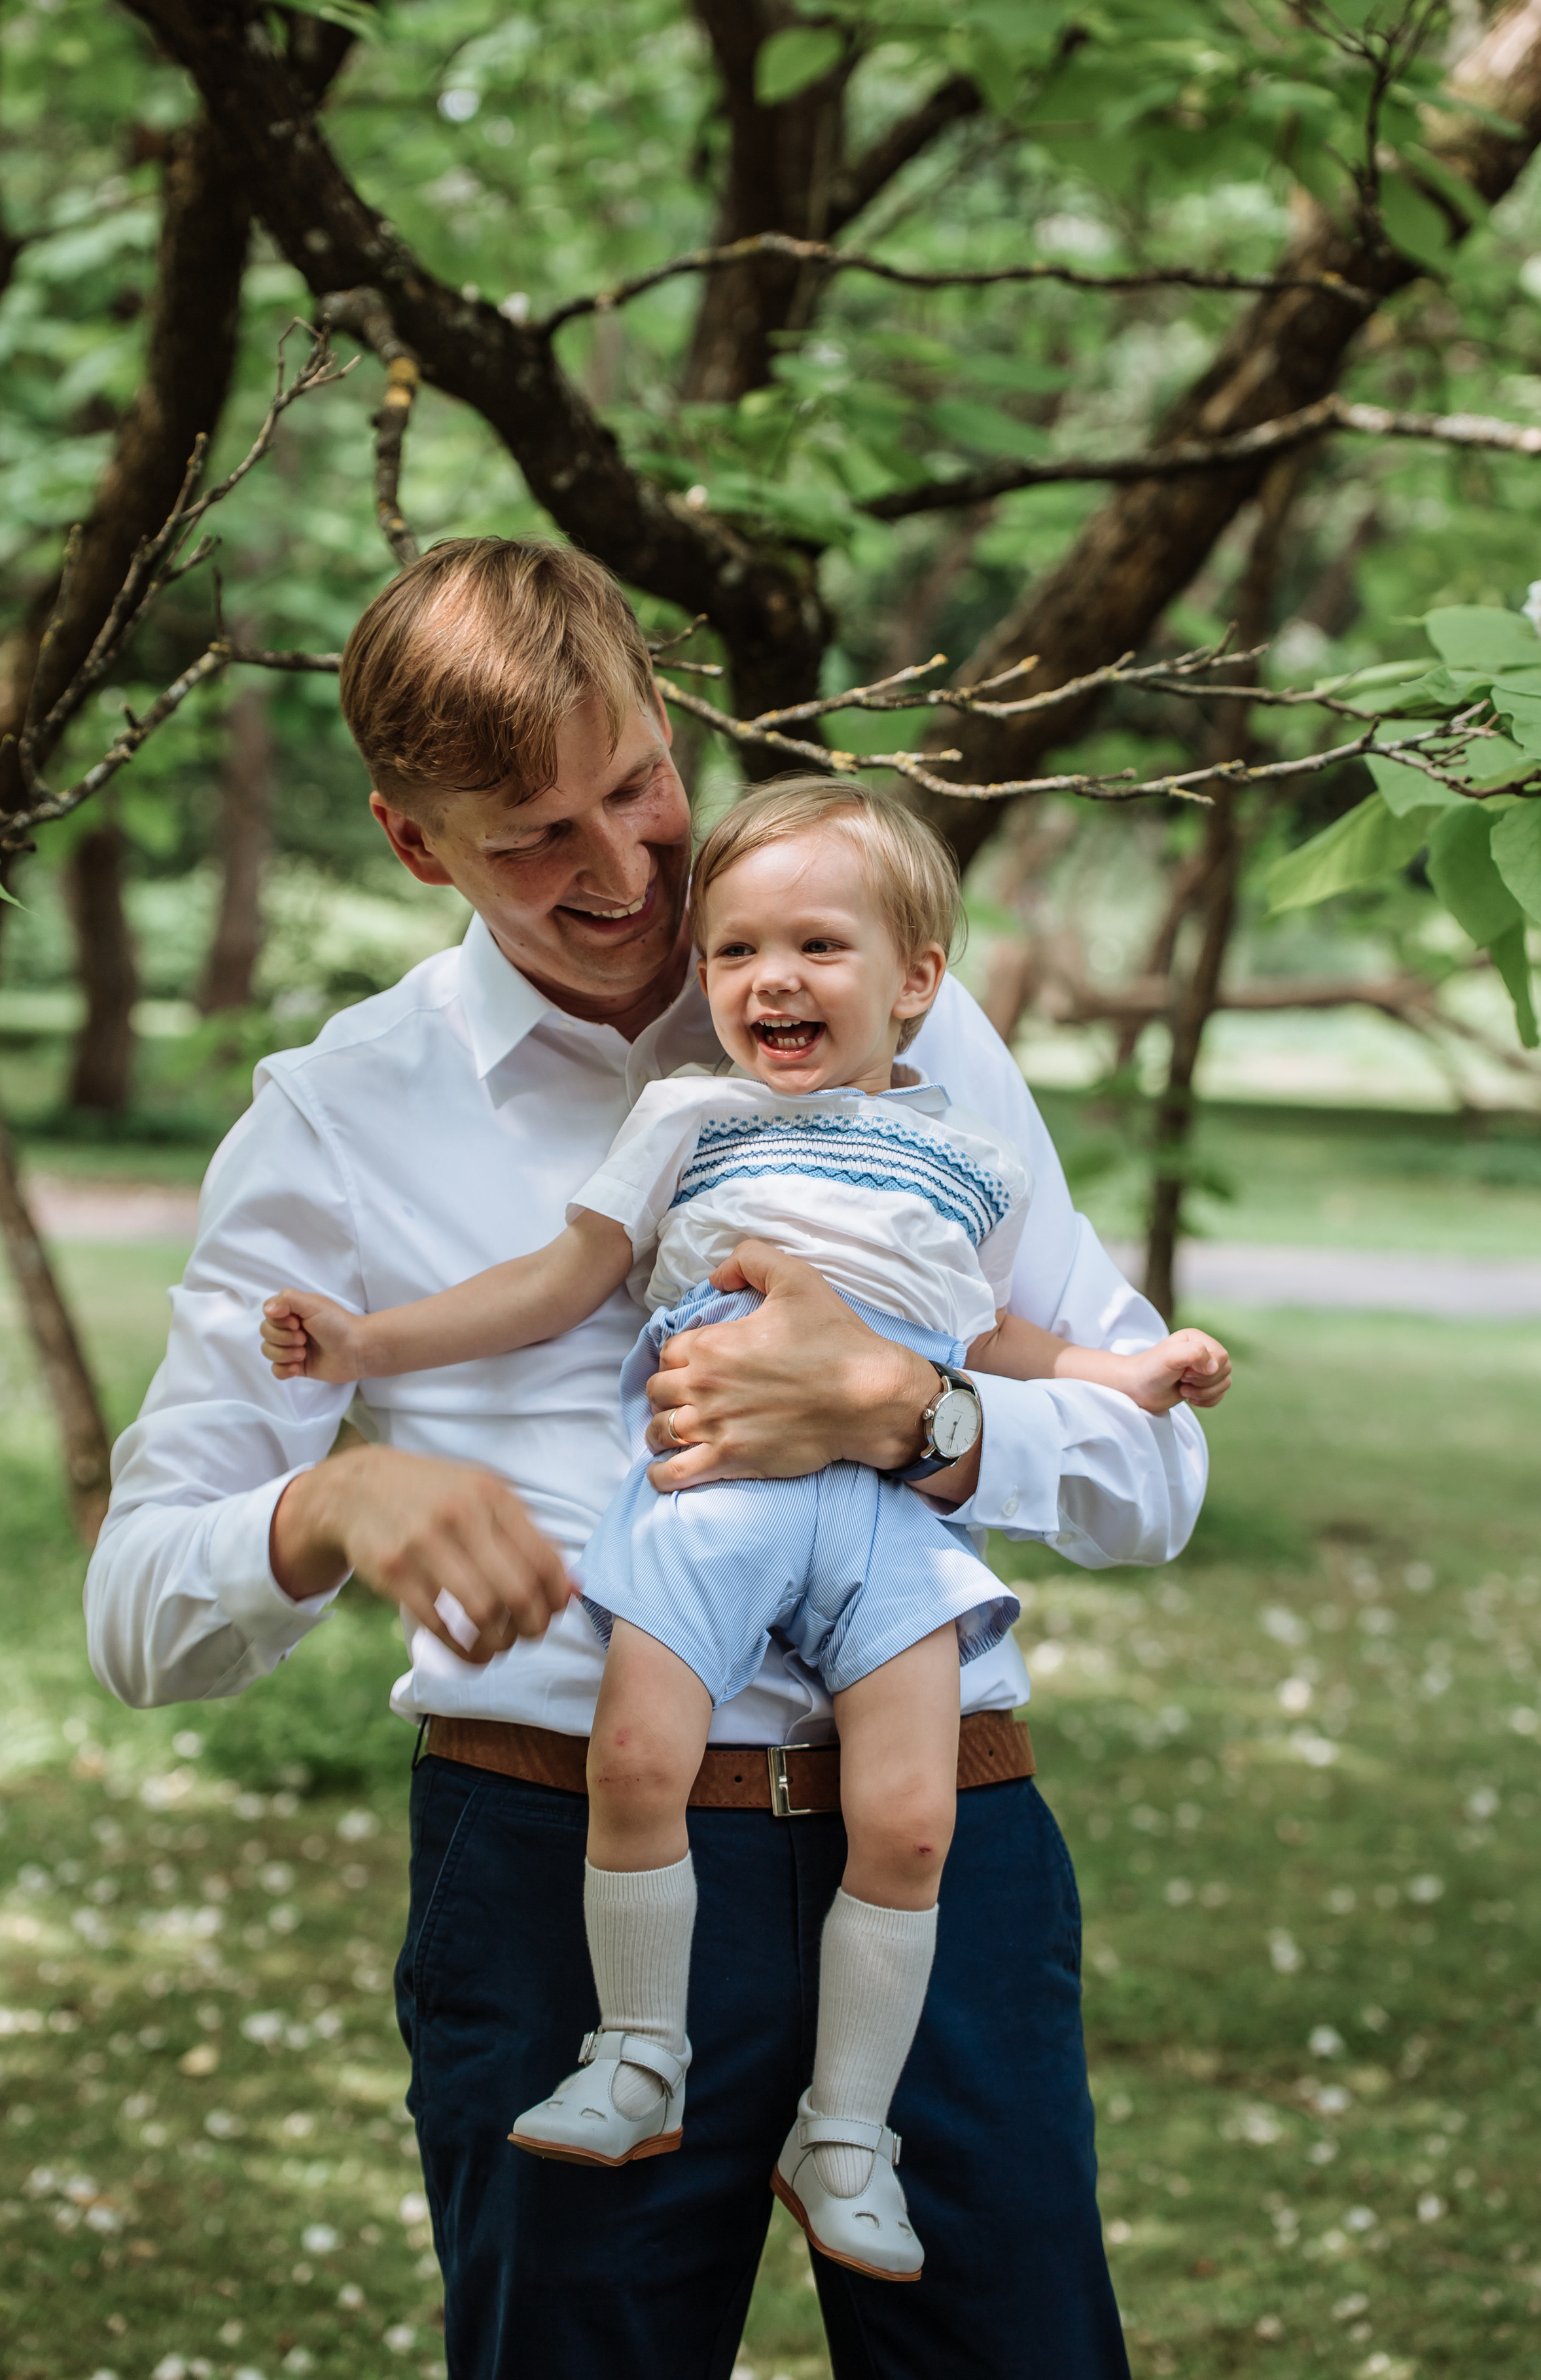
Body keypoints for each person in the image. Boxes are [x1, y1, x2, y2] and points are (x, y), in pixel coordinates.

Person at [86, 536, 1212, 2380]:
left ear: (675, 718)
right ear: (413, 840)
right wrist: (328, 1500)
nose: (621, 875)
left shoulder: (894, 1018)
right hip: (550, 1865)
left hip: (939, 1838)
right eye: (533, 838)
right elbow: (140, 1617)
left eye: (638, 788)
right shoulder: (336, 1117)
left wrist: (914, 1421)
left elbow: (1155, 1475)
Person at [257, 777, 1230, 2280]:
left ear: (917, 982)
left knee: (911, 1823)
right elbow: (560, 1279)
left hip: (888, 1523)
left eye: (816, 949)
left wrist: (1127, 1371)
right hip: (713, 1491)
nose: (768, 981)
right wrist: (367, 1348)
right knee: (631, 1754)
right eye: (733, 953)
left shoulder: (964, 1148)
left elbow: (1011, 1335)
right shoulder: (687, 1115)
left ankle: (845, 2130)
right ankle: (637, 2047)